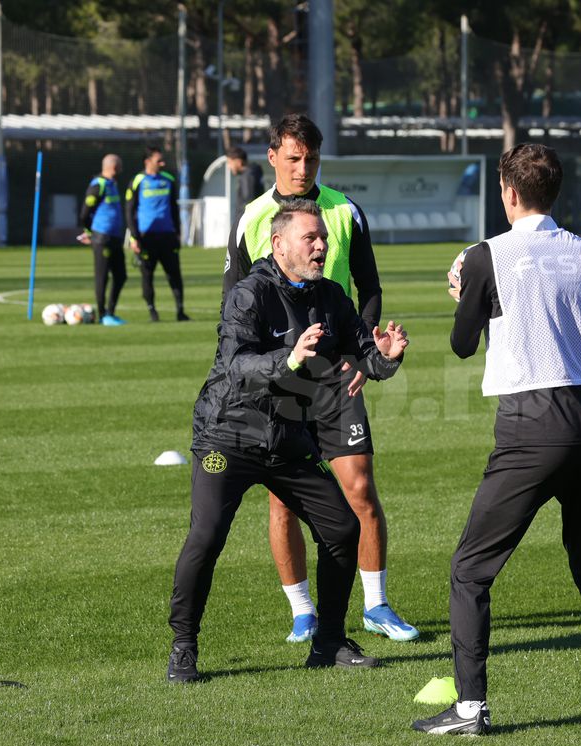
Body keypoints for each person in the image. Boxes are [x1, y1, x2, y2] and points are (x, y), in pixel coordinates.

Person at [413, 143, 581, 736]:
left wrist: (465, 292)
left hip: (532, 424)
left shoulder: (486, 254)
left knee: (470, 570)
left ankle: (470, 709)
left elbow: (462, 344)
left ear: (509, 192)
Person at [168, 198, 410, 683]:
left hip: (289, 437)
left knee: (342, 528)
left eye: (324, 239)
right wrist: (290, 359)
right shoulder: (249, 294)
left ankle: (329, 642)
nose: (321, 247)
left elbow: (365, 354)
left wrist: (384, 357)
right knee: (207, 535)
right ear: (279, 244)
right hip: (228, 435)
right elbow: (236, 366)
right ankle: (183, 646)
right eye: (310, 238)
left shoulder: (332, 296)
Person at [224, 113, 418, 645]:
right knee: (284, 499)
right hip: (282, 377)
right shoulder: (252, 218)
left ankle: (376, 604)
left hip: (337, 375)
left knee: (361, 489)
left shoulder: (344, 210)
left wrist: (363, 354)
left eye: (310, 158)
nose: (302, 168)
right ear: (273, 158)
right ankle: (302, 611)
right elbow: (233, 304)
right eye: (293, 158)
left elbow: (369, 286)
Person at [125, 146, 187, 322]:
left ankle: (180, 311)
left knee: (174, 275)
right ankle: (152, 311)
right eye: (158, 160)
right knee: (147, 276)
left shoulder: (168, 179)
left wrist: (178, 233)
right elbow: (129, 211)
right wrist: (134, 237)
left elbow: (174, 208)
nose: (162, 163)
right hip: (146, 237)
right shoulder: (137, 181)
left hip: (167, 236)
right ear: (147, 161)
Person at [77, 154, 128, 326]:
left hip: (115, 237)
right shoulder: (98, 185)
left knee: (121, 276)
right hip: (102, 238)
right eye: (120, 166)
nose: (121, 169)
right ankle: (102, 315)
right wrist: (89, 232)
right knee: (102, 276)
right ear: (114, 167)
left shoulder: (112, 184)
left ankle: (110, 312)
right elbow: (84, 213)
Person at [226, 145, 263, 227]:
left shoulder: (247, 177)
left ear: (238, 162)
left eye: (229, 162)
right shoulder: (253, 173)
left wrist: (238, 226)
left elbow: (248, 203)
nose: (228, 166)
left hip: (246, 225)